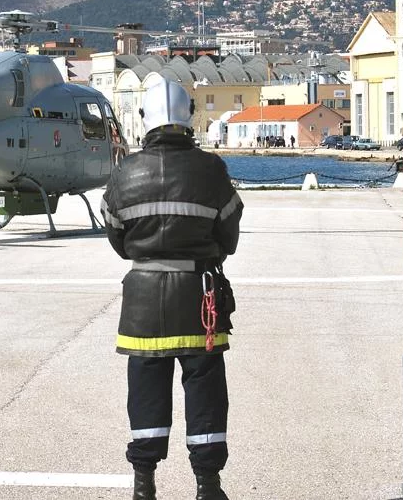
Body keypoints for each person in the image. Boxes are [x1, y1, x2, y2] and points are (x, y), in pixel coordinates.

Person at [101, 79, 243, 500]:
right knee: (206, 391)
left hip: (142, 300)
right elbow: (229, 237)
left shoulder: (125, 171)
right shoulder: (212, 170)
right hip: (199, 298)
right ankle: (208, 485)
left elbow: (117, 238)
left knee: (145, 392)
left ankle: (143, 484)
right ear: (189, 117)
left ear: (145, 120)